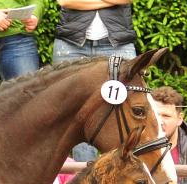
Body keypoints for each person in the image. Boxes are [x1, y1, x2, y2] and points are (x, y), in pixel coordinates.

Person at [52, 0, 137, 162]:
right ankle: (87, 173)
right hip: (71, 44)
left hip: (118, 43)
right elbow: (65, 1)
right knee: (77, 110)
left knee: (128, 109)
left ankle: (122, 171)